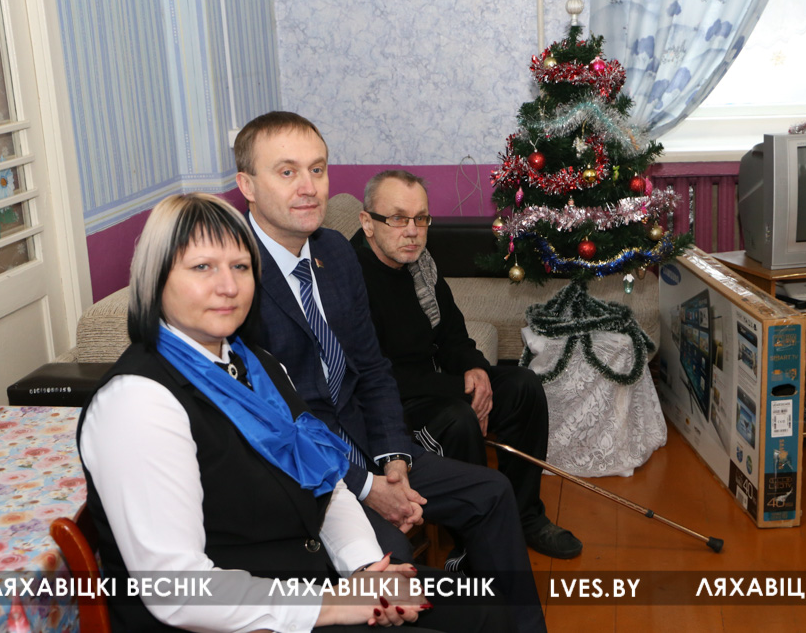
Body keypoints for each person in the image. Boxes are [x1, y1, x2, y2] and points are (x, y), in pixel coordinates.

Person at [78, 193, 512, 632]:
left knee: (487, 610)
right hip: (238, 617)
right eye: (202, 267)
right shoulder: (139, 403)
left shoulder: (258, 365)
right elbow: (179, 592)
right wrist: (335, 604)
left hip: (307, 581)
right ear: (156, 279)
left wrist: (364, 568)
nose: (228, 286)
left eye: (240, 267)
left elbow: (328, 482)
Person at [234, 112, 546, 633]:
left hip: (369, 445)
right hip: (308, 478)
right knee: (397, 564)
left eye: (317, 169)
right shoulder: (233, 271)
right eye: (287, 172)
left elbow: (373, 370)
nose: (308, 187)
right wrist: (365, 485)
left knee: (491, 494)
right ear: (247, 185)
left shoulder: (332, 252)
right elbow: (272, 418)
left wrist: (394, 458)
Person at [352, 169, 583, 560]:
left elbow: (452, 334)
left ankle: (525, 516)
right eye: (398, 218)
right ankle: (471, 549)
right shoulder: (351, 279)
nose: (413, 231)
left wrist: (474, 369)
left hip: (433, 381)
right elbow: (376, 376)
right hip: (392, 405)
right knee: (458, 419)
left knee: (523, 386)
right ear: (367, 223)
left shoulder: (420, 263)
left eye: (421, 218)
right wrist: (458, 386)